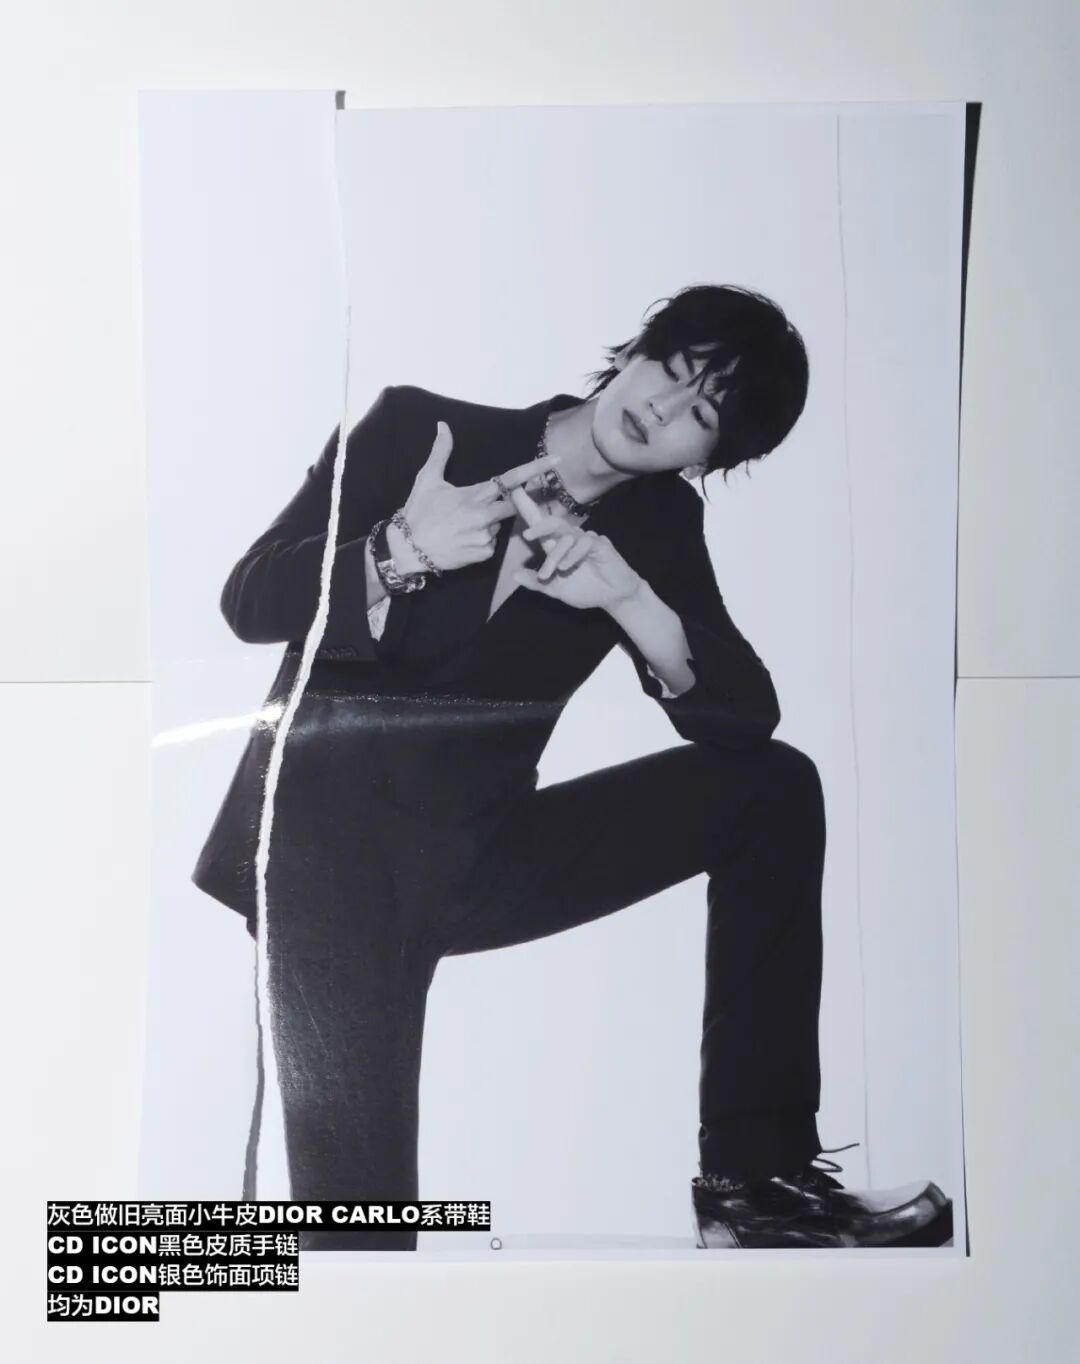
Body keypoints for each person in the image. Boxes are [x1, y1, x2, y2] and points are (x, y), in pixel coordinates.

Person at [192, 283, 953, 1250]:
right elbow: (250, 599)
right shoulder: (420, 431)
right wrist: (399, 549)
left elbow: (743, 720)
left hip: (476, 855)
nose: (663, 410)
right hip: (323, 862)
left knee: (773, 789)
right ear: (631, 353)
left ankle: (754, 1184)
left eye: (702, 414)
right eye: (671, 371)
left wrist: (628, 597)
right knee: (360, 1242)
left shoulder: (657, 529)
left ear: (709, 458)